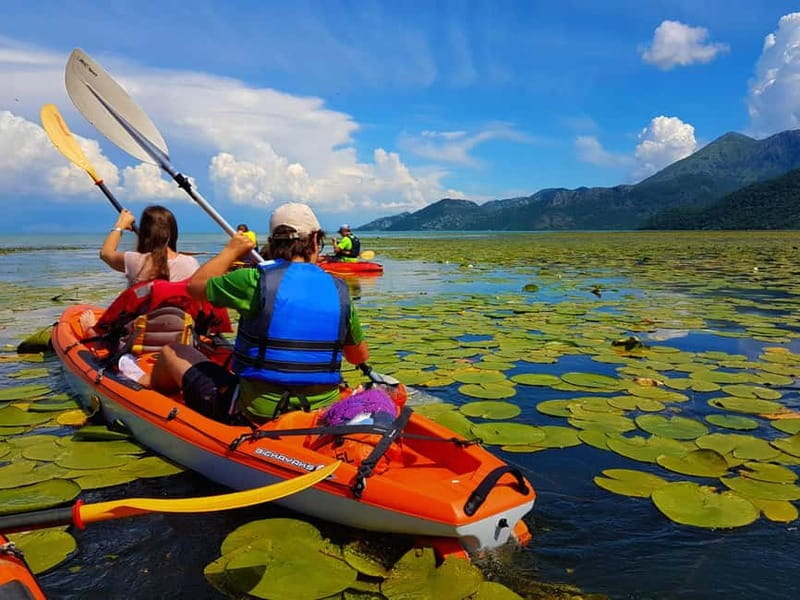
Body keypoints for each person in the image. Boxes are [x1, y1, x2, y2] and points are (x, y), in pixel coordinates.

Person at [149, 202, 370, 423]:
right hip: (319, 413)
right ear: (314, 240)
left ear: (273, 243)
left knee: (171, 351)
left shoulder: (253, 280)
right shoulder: (339, 290)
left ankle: (151, 399)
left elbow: (195, 286)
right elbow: (357, 356)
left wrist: (232, 250)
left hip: (257, 412)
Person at [101, 205, 200, 286]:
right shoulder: (190, 262)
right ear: (173, 233)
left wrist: (120, 225)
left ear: (144, 233)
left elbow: (105, 253)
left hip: (146, 311)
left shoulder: (135, 260)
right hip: (178, 310)